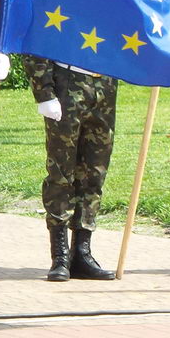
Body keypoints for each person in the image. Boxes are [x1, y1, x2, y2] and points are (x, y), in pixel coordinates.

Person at [21, 55, 118, 282]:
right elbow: (39, 44)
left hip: (104, 84)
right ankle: (60, 256)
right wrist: (44, 92)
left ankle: (82, 252)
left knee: (94, 173)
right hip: (67, 82)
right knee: (61, 173)